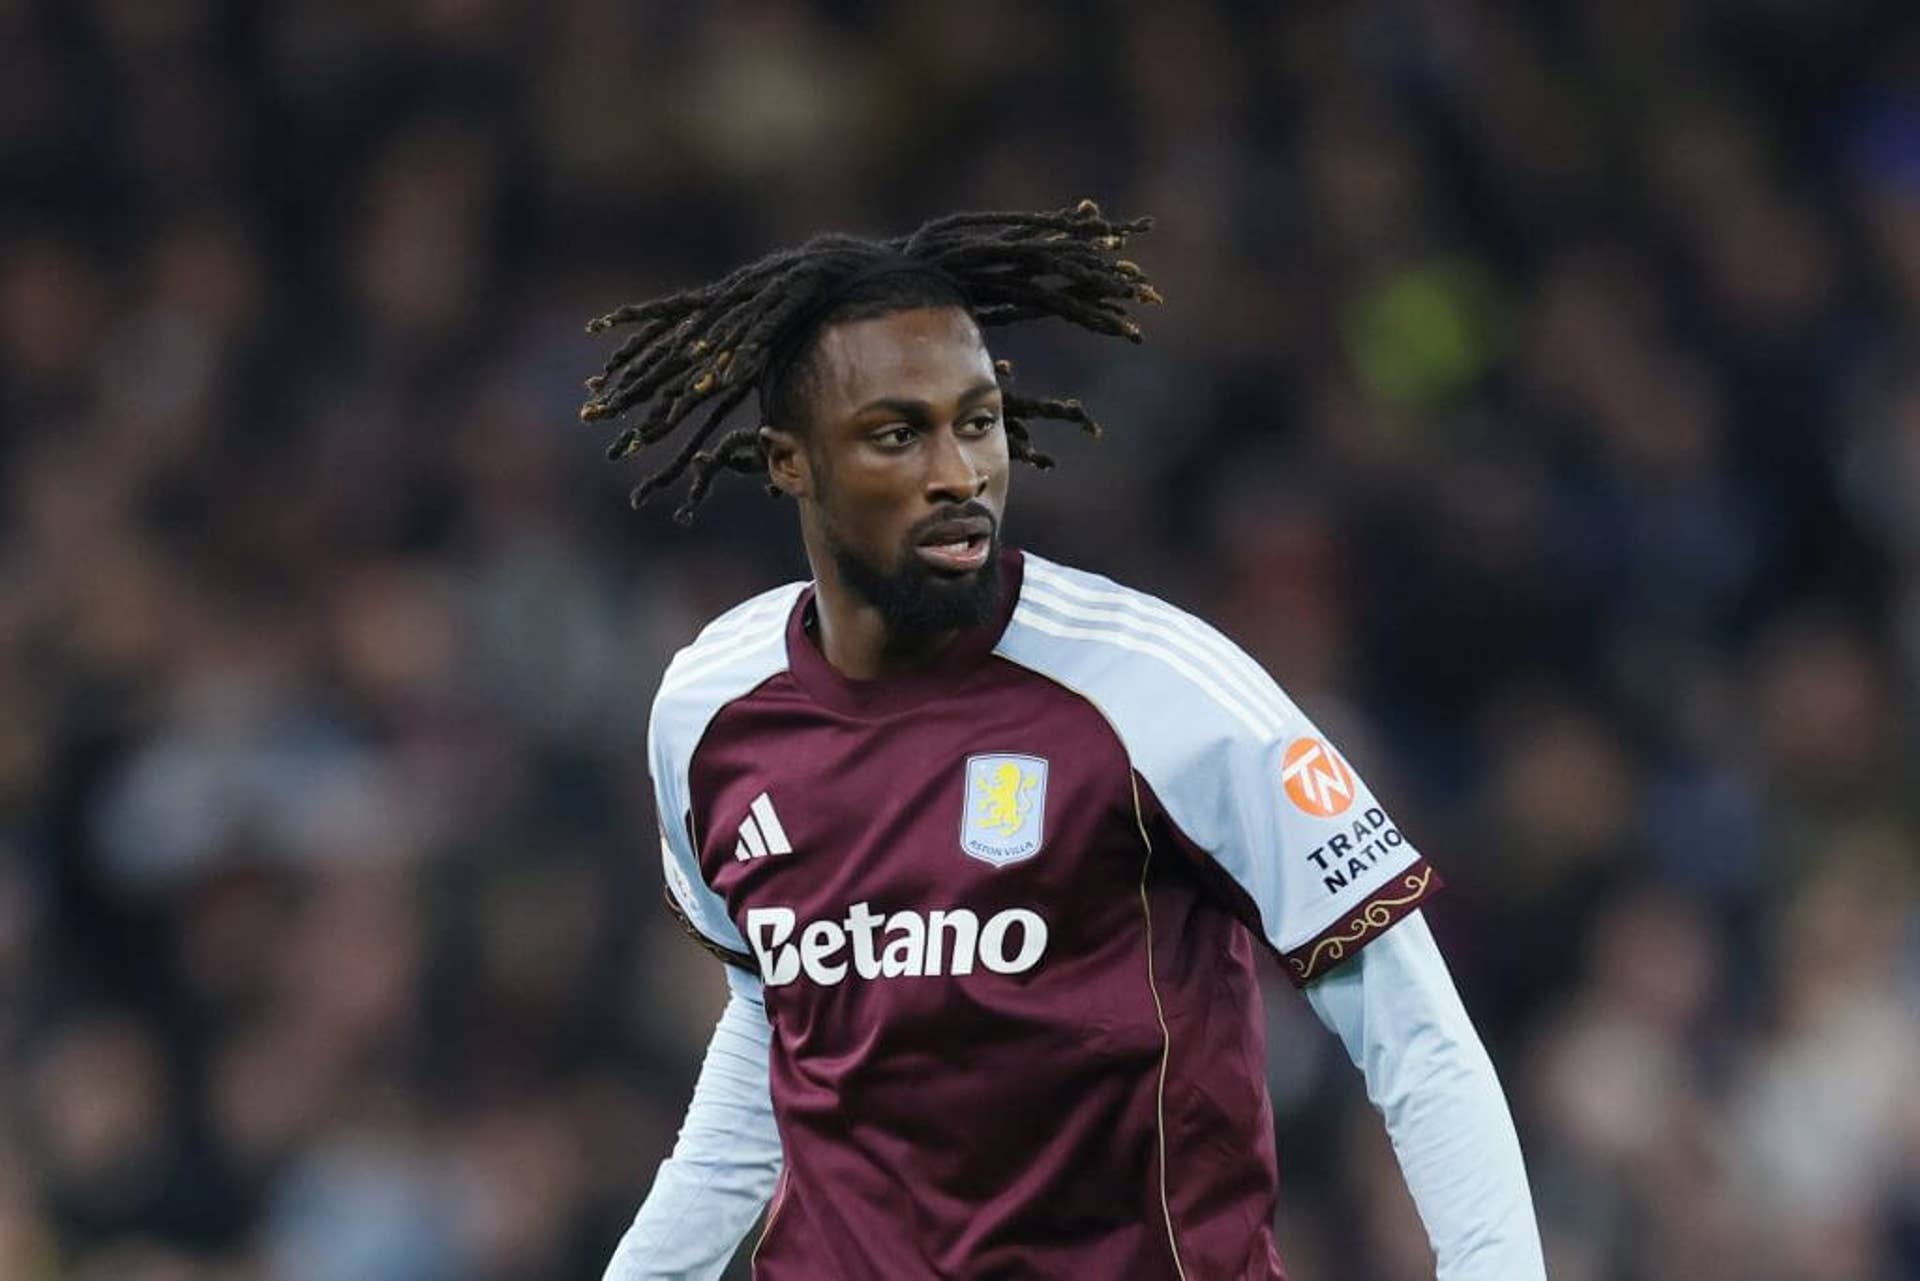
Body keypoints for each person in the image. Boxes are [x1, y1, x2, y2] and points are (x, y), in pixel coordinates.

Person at [584, 202, 1545, 1280]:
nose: (959, 472)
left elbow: (1414, 1028)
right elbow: (777, 1020)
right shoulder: (710, 713)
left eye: (979, 421)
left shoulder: (1157, 691)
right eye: (898, 435)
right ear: (790, 463)